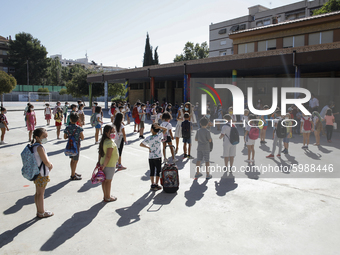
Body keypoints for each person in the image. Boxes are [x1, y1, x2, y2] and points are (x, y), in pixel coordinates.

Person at [31, 128, 54, 218]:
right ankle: (41, 212)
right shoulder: (39, 148)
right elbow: (45, 161)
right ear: (37, 137)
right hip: (42, 173)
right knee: (41, 193)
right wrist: (50, 165)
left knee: (37, 193)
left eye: (46, 136)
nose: (45, 138)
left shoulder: (33, 145)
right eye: (43, 136)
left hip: (37, 173)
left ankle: (39, 210)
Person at [140, 123, 168, 191]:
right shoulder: (159, 136)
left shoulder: (148, 138)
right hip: (158, 156)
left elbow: (141, 144)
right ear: (158, 130)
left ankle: (152, 184)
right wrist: (159, 126)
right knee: (158, 171)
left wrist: (148, 147)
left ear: (151, 129)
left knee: (152, 170)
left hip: (151, 157)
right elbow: (165, 129)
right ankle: (156, 184)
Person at [98, 125, 119, 202]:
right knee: (108, 181)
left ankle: (105, 195)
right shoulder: (110, 143)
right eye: (111, 132)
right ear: (106, 133)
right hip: (109, 165)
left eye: (114, 131)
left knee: (104, 181)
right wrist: (104, 165)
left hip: (103, 164)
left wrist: (100, 163)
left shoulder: (104, 141)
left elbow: (100, 152)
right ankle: (108, 197)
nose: (113, 133)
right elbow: (108, 156)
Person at [64, 112, 84, 180]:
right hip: (76, 146)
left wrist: (70, 136)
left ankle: (73, 172)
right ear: (78, 119)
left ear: (70, 119)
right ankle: (73, 175)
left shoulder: (67, 128)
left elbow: (64, 137)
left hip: (70, 145)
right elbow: (83, 137)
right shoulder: (79, 128)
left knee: (72, 160)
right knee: (75, 160)